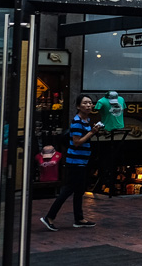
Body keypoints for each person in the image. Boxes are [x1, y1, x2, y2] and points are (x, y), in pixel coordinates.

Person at [41, 94, 103, 230]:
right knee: (68, 189)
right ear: (78, 106)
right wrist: (92, 133)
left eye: (90, 103)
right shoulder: (77, 122)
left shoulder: (86, 121)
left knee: (79, 190)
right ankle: (49, 217)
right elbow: (76, 142)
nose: (88, 105)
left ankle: (79, 219)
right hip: (75, 161)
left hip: (82, 161)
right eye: (85, 103)